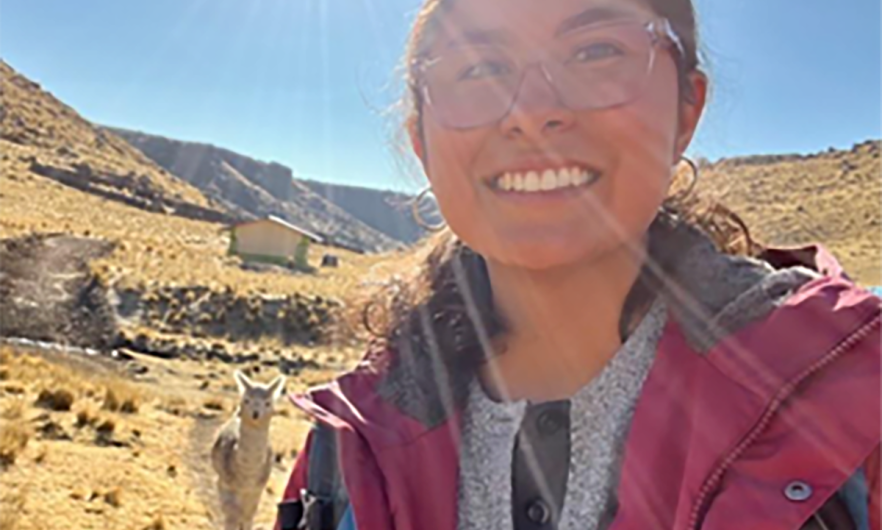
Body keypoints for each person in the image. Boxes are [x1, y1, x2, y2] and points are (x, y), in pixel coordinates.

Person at [276, 0, 882, 529]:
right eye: (481, 67)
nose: (533, 111)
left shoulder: (856, 401)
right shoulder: (346, 451)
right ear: (423, 144)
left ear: (685, 110)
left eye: (595, 51)